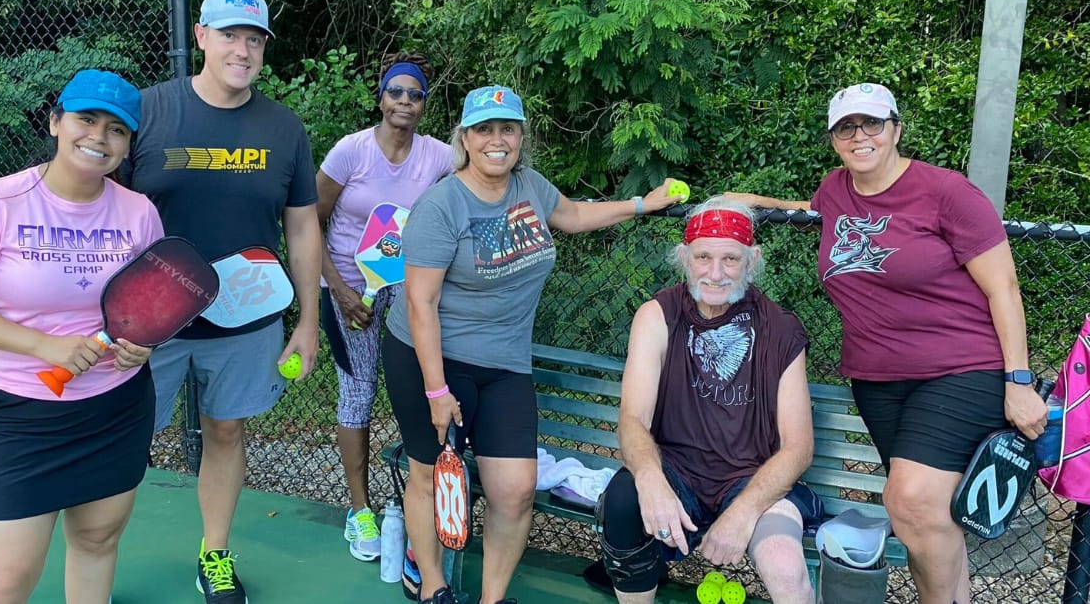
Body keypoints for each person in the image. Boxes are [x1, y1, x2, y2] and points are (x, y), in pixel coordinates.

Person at [725, 82, 1047, 604]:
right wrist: (753, 202)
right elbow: (809, 207)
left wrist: (1019, 379)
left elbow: (1004, 288)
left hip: (962, 369)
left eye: (872, 123)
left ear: (896, 129)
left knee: (910, 500)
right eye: (846, 127)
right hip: (878, 381)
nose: (860, 136)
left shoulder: (946, 192)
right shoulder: (835, 190)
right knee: (928, 517)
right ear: (834, 139)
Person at [382, 85, 685, 604]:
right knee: (429, 475)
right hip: (428, 358)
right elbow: (419, 303)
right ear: (465, 137)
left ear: (521, 136)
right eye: (484, 129)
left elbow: (573, 216)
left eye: (508, 129)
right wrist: (436, 392)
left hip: (504, 365)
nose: (496, 140)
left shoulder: (530, 186)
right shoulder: (441, 204)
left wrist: (643, 203)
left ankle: (492, 599)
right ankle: (433, 586)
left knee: (516, 490)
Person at [118, 0, 321, 604]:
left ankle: (215, 554)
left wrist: (308, 321)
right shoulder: (147, 111)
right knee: (119, 439)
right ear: (201, 37)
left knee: (227, 433)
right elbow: (102, 211)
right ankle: (94, 559)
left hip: (247, 321)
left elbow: (303, 225)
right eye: (230, 34)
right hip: (148, 324)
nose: (243, 48)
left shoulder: (284, 129)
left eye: (254, 38)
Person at [0, 69, 160, 603]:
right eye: (85, 119)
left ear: (128, 144)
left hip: (115, 407)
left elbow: (148, 306)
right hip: (19, 415)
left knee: (98, 540)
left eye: (117, 129)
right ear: (56, 122)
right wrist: (45, 346)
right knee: (3, 584)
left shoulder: (139, 213)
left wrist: (145, 343)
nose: (98, 137)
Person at [596, 196, 821, 604]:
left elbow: (799, 447)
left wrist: (744, 511)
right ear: (684, 258)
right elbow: (632, 418)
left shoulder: (781, 329)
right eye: (703, 256)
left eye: (731, 259)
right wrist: (649, 479)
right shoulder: (658, 314)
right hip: (678, 473)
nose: (715, 273)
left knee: (786, 567)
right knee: (624, 501)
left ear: (752, 261)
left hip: (752, 479)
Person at [314, 52, 452, 561]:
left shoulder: (438, 156)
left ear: (424, 105)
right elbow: (310, 222)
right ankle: (360, 511)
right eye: (396, 91)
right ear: (380, 97)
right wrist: (341, 289)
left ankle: (428, 506)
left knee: (428, 386)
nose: (405, 101)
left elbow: (475, 180)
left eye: (415, 94)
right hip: (349, 291)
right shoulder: (350, 153)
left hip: (412, 291)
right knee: (357, 393)